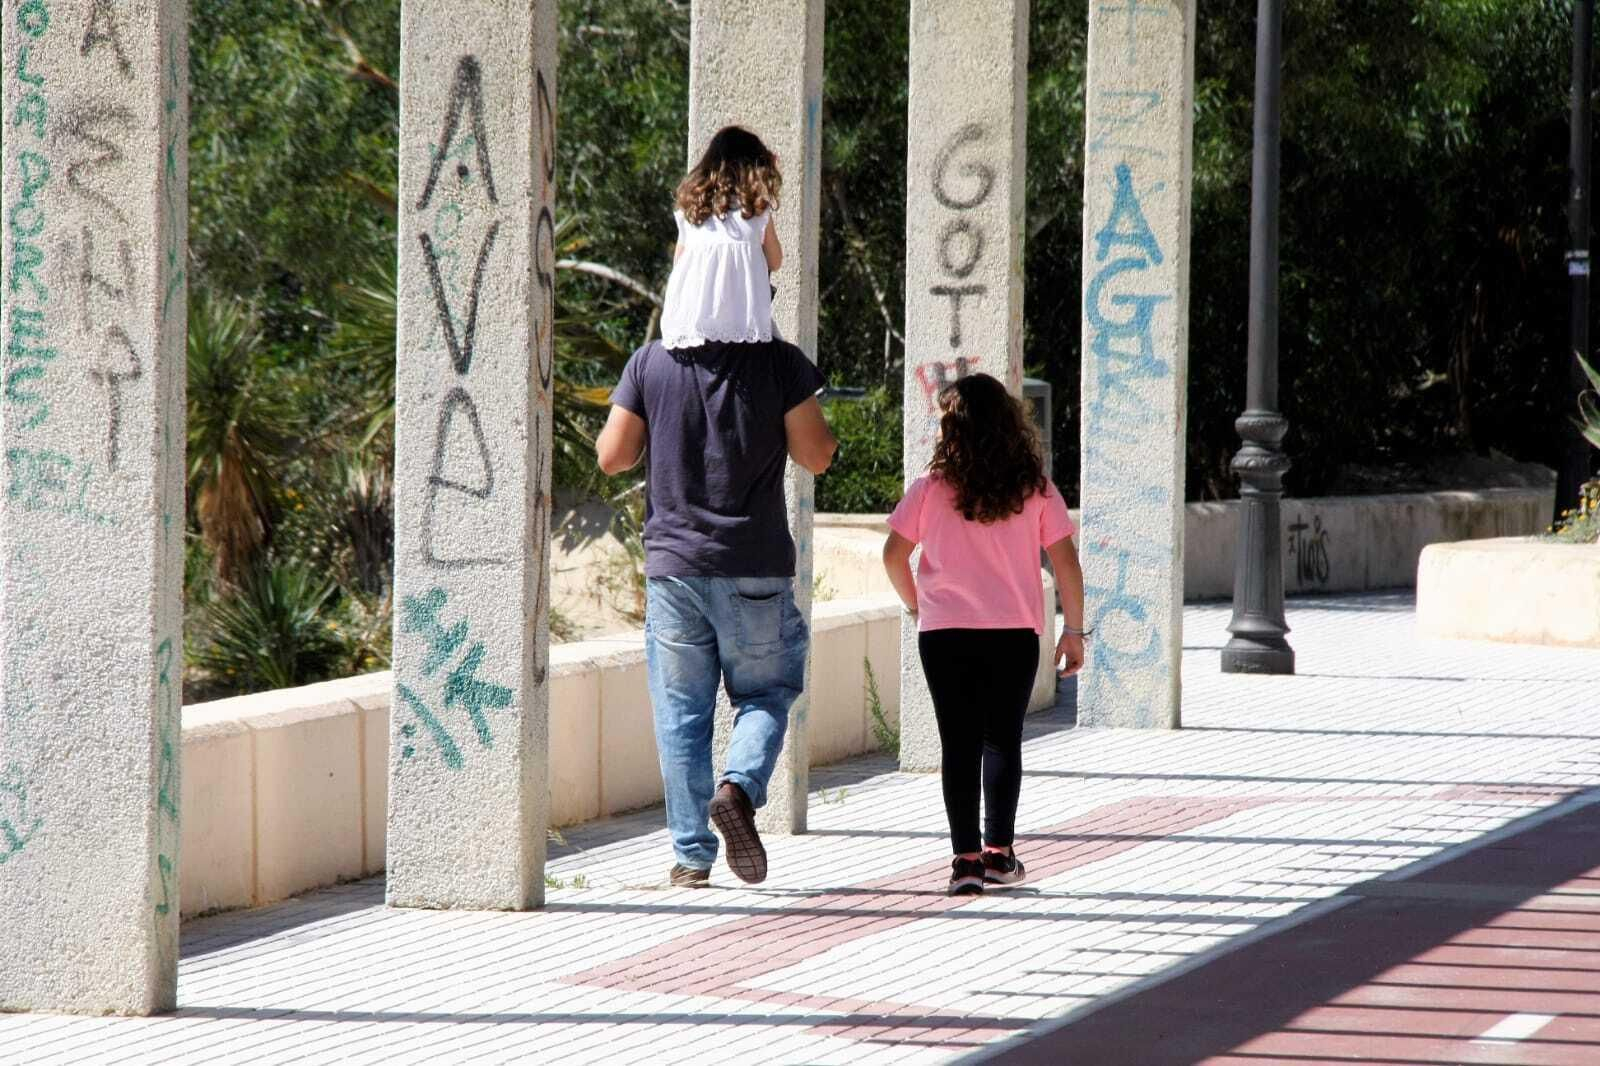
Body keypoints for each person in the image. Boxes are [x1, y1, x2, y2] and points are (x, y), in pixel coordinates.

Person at [594, 127, 835, 889]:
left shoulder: (650, 364)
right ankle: (740, 790)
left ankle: (691, 857)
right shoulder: (781, 364)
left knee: (681, 715)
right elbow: (816, 455)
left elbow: (612, 456)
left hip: (673, 569)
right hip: (757, 564)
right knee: (768, 693)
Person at [881, 374, 1088, 896]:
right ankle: (1000, 853)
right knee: (1002, 740)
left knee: (958, 742)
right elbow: (1066, 564)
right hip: (1014, 632)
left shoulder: (930, 489)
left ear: (952, 429)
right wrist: (1074, 631)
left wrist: (915, 602)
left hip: (945, 634)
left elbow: (892, 555)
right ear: (1008, 424)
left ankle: (965, 863)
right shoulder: (1035, 488)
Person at [659, 125, 784, 351]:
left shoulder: (690, 213)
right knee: (788, 365)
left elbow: (678, 265)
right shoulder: (757, 211)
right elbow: (775, 261)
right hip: (743, 325)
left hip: (691, 323)